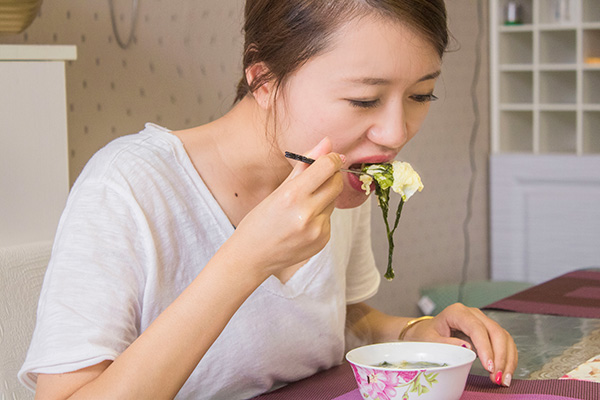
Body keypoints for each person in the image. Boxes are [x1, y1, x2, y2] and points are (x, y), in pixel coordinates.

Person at [19, 0, 518, 398]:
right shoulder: (127, 185)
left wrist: (412, 333)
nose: (394, 134)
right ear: (263, 79)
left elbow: (340, 316)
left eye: (421, 95)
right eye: (364, 100)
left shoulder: (338, 173)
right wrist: (245, 261)